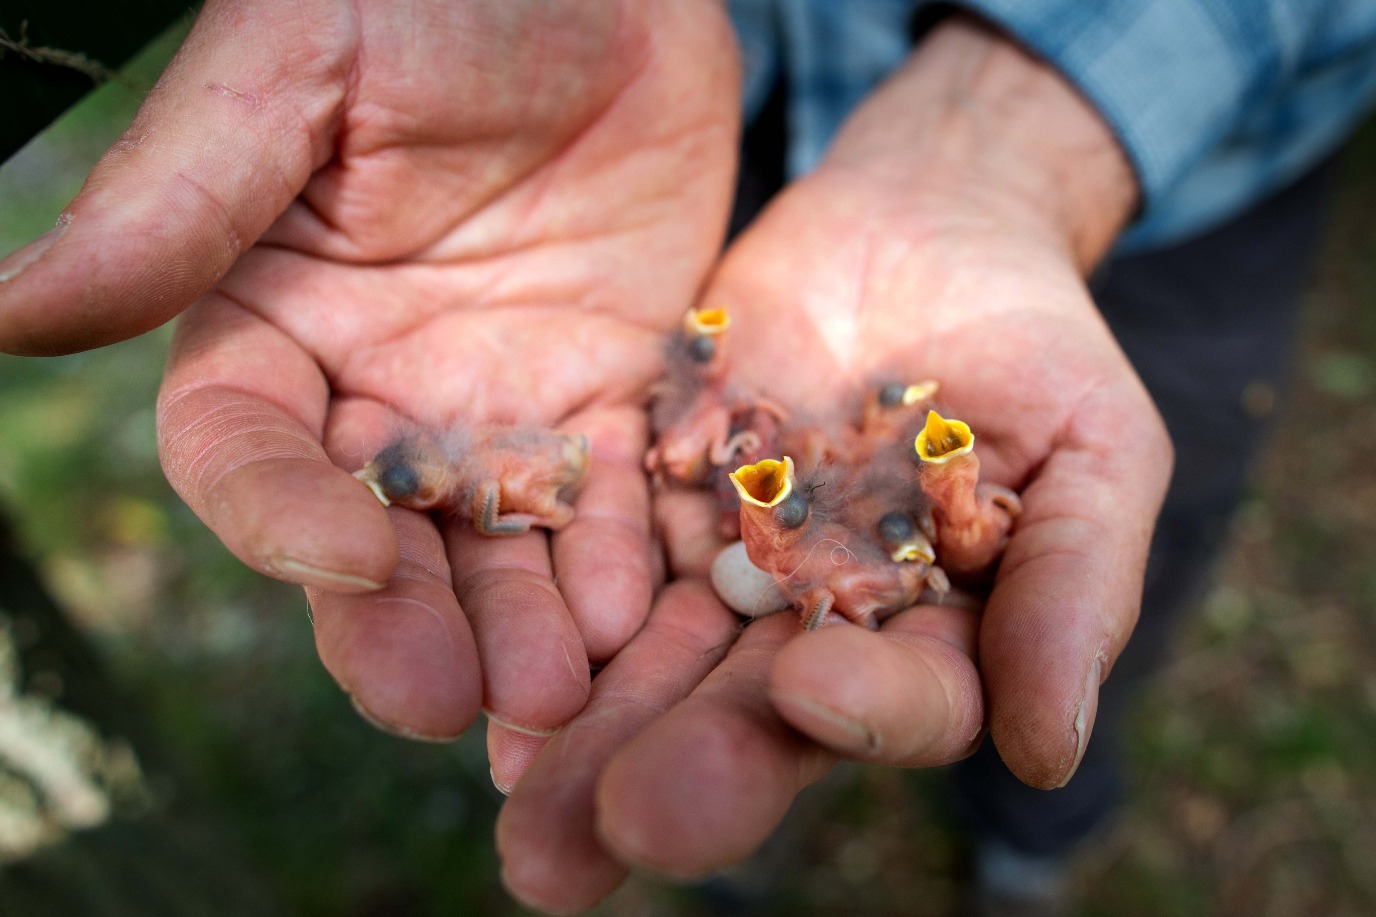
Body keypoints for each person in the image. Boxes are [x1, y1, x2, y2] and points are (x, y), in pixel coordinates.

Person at [1, 1, 1374, 914]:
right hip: (683, 112)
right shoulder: (714, 437)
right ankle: (744, 851)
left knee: (1109, 567)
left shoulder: (828, 487)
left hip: (1191, 170)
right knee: (737, 700)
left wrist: (1016, 129)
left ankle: (1033, 840)